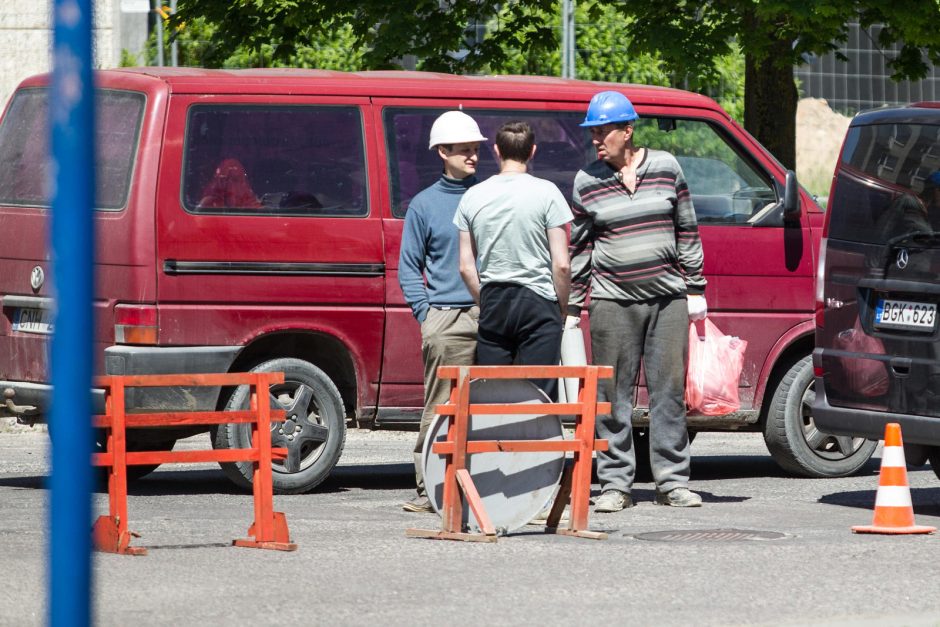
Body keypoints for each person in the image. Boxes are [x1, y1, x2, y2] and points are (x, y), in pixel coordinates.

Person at [569, 91, 708, 512]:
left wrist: (696, 288)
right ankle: (615, 484)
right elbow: (579, 249)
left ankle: (672, 482)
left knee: (668, 394)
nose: (595, 139)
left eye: (603, 130)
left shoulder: (666, 167)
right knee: (613, 396)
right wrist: (573, 307)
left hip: (668, 299)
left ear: (627, 130)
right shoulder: (586, 181)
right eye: (591, 132)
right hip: (612, 302)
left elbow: (687, 227)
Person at [398, 111, 487, 513]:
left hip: (489, 317)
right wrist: (427, 315)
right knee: (439, 407)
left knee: (488, 407)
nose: (473, 156)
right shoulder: (424, 205)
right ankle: (427, 488)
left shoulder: (488, 195)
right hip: (446, 318)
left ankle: (482, 487)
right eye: (465, 150)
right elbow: (408, 267)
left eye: (476, 149)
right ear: (442, 152)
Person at [454, 121, 572, 396]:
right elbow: (562, 264)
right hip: (539, 302)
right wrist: (562, 307)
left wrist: (485, 300)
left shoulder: (473, 196)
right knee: (539, 392)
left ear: (496, 150)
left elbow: (465, 266)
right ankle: (539, 438)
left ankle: (498, 439)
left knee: (495, 392)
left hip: (494, 298)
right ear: (532, 151)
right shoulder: (548, 192)